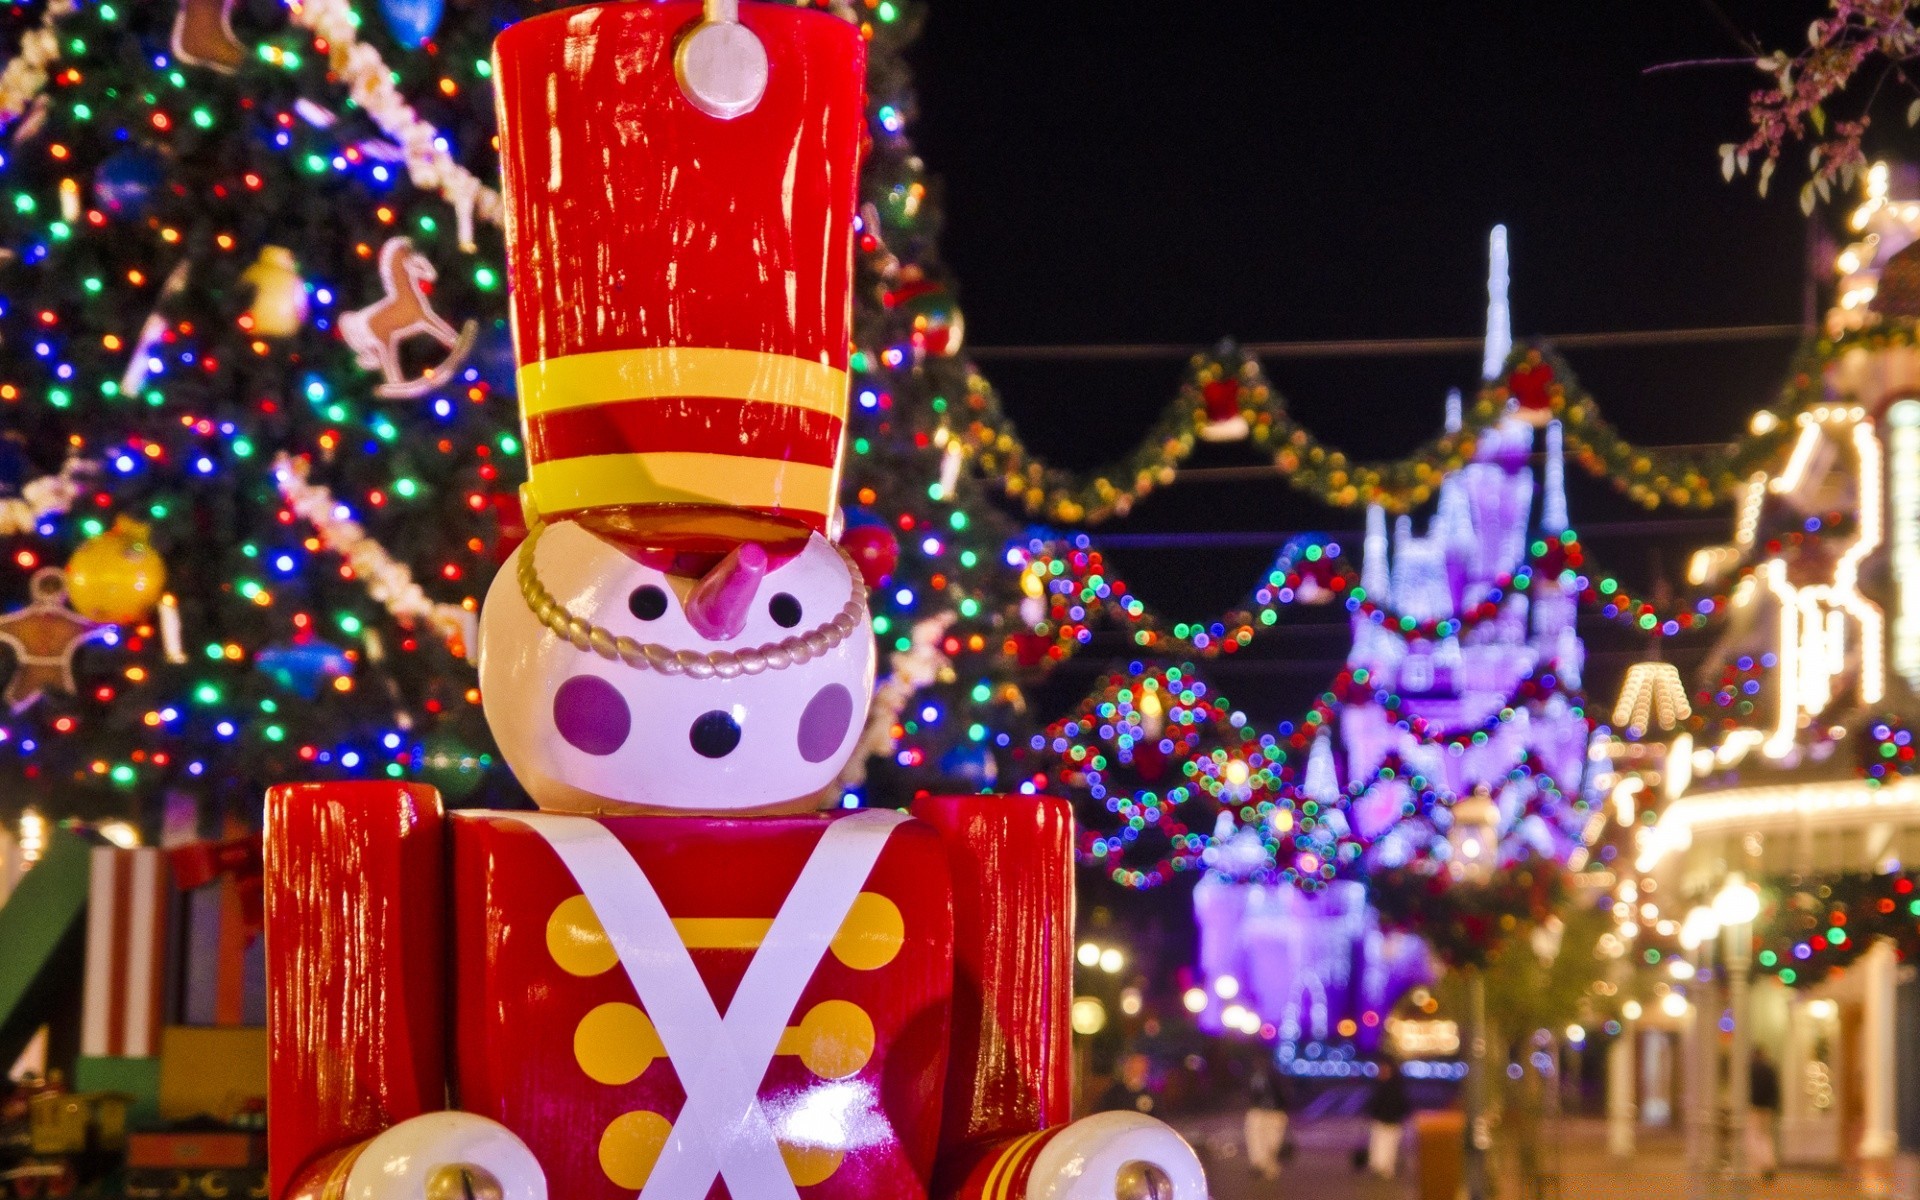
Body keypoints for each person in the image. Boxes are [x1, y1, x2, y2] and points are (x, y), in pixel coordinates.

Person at [1244, 1057, 1294, 1180]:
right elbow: (1285, 1095)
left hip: (1262, 1111)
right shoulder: (1279, 1077)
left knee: (1259, 1139)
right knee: (1270, 1141)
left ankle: (1262, 1164)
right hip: (1274, 1112)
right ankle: (1266, 1166)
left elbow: (1253, 1094)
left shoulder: (1256, 1076)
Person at [1365, 1061, 1412, 1178]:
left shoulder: (1384, 1086)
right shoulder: (1396, 1086)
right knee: (1383, 1143)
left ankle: (1383, 1167)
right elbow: (1404, 1103)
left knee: (1385, 1144)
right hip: (1388, 1119)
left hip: (1388, 1119)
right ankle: (1382, 1167)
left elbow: (1376, 1103)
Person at [1750, 1048, 1781, 1183]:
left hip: (1754, 1108)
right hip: (1768, 1109)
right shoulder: (1770, 1069)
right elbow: (1776, 1090)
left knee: (1753, 1137)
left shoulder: (1750, 1070)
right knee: (1766, 1136)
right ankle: (1769, 1163)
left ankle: (1761, 1166)